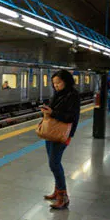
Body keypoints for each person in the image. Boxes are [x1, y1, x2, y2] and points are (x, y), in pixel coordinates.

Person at [40, 69, 80, 209]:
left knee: (54, 163)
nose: (56, 85)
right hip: (51, 133)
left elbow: (71, 117)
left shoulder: (73, 95)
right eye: (54, 83)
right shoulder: (57, 94)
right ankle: (57, 192)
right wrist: (47, 110)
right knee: (53, 163)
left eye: (58, 83)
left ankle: (63, 196)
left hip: (62, 134)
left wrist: (53, 112)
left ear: (66, 81)